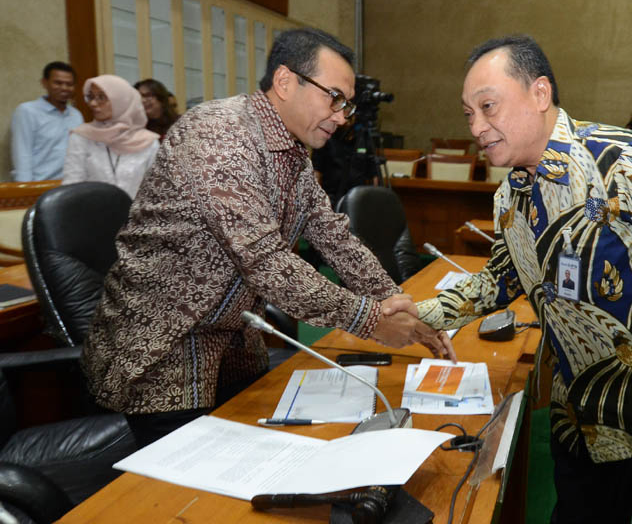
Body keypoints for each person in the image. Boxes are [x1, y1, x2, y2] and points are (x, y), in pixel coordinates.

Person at [411, 35, 632, 523]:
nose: (476, 127)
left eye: (487, 107)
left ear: (540, 93)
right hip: (581, 417)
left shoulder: (622, 163)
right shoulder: (510, 197)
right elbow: (499, 280)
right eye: (468, 114)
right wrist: (417, 315)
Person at [81, 28, 453, 448]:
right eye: (334, 98)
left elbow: (335, 238)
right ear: (285, 81)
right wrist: (371, 320)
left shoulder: (293, 154)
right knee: (205, 481)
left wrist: (400, 305)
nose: (342, 116)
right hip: (164, 351)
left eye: (347, 104)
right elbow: (266, 262)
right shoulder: (220, 135)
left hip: (234, 345)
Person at [62, 75, 160, 200]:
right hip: (90, 210)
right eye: (90, 97)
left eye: (101, 97)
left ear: (121, 100)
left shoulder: (149, 143)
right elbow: (71, 185)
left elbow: (156, 191)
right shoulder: (81, 137)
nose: (93, 103)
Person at [10, 61, 84, 181]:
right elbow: (22, 154)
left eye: (69, 84)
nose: (64, 88)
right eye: (58, 83)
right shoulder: (27, 111)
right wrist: (26, 189)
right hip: (39, 185)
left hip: (71, 184)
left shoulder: (76, 115)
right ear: (44, 83)